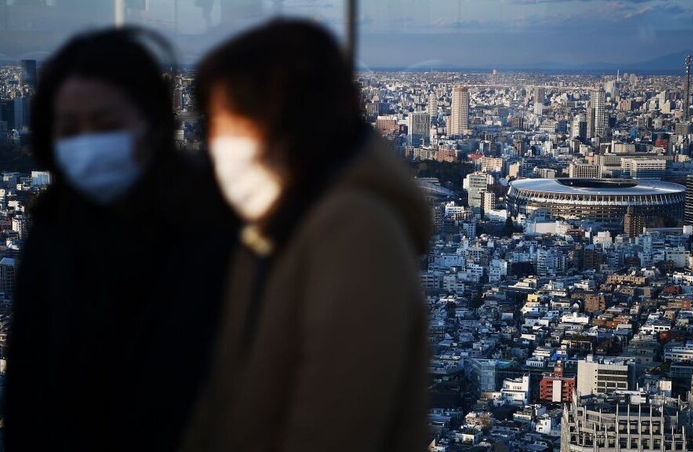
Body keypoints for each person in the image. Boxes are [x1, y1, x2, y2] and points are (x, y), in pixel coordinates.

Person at [181, 19, 432, 451]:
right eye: (217, 125)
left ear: (307, 120)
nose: (223, 145)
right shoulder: (274, 227)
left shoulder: (355, 229)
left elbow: (333, 425)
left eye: (246, 122)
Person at [3, 28, 237, 451]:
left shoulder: (211, 232)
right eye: (70, 128)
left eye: (106, 123)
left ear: (152, 121)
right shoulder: (54, 229)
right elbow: (29, 386)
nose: (89, 142)